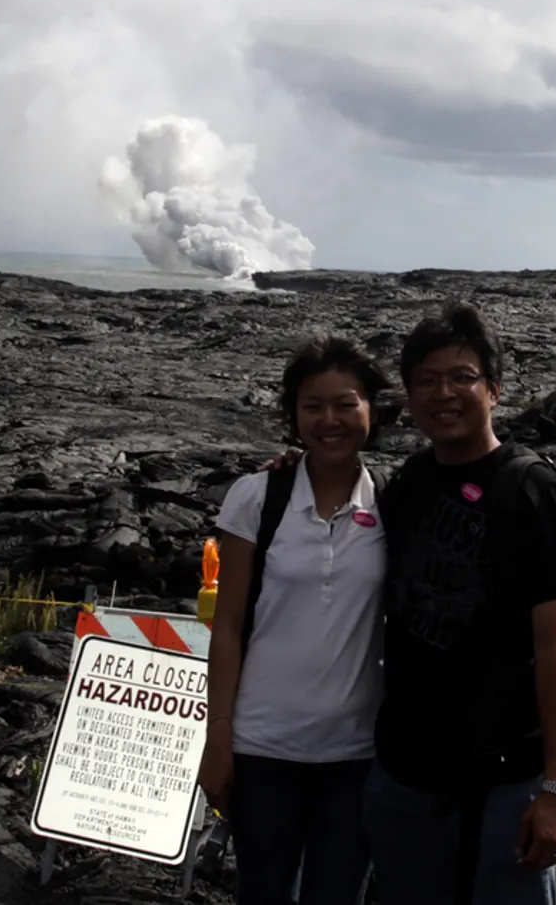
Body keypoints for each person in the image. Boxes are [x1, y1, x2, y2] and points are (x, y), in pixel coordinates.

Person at [365, 302, 556, 905]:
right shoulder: (411, 483)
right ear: (410, 397)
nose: (445, 393)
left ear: (494, 389)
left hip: (505, 778)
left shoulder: (533, 494)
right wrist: (294, 469)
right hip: (407, 769)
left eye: (462, 377)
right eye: (427, 380)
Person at [200, 336, 391, 905]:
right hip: (264, 753)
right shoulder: (256, 497)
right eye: (313, 406)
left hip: (357, 759)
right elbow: (228, 626)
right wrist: (218, 743)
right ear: (293, 415)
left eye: (345, 403)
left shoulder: (394, 502)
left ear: (371, 411)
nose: (329, 420)